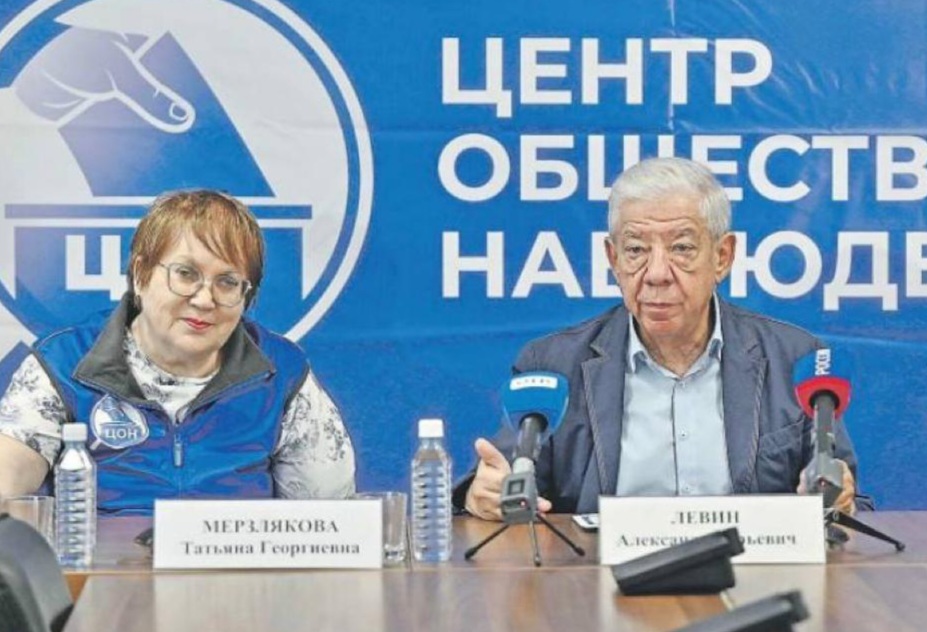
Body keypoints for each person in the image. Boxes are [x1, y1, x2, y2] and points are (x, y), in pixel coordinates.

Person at [456, 157, 867, 520]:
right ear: (613, 259)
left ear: (722, 257)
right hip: (596, 576)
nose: (656, 273)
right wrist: (483, 495)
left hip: (752, 573)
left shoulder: (795, 359)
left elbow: (845, 503)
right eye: (636, 250)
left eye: (681, 248)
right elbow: (507, 483)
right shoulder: (554, 365)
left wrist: (836, 501)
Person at [0, 190, 355, 514]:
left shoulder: (282, 373)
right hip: (101, 562)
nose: (204, 299)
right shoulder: (64, 364)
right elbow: (6, 487)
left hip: (237, 563)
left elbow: (332, 519)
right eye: (186, 274)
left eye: (227, 282)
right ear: (140, 274)